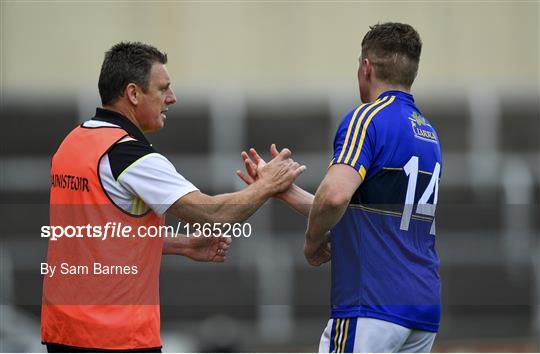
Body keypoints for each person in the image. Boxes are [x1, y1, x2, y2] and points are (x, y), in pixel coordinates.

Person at [42, 42, 305, 353]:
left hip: (64, 330)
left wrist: (183, 245)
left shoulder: (73, 143)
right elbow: (213, 213)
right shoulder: (129, 154)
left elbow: (96, 234)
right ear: (133, 94)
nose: (172, 98)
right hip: (114, 336)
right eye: (163, 89)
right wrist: (268, 184)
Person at [237, 22, 442, 353]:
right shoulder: (428, 134)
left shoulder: (367, 119)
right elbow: (354, 212)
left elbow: (334, 197)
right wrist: (279, 189)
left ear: (366, 67)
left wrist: (311, 241)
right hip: (421, 309)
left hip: (371, 304)